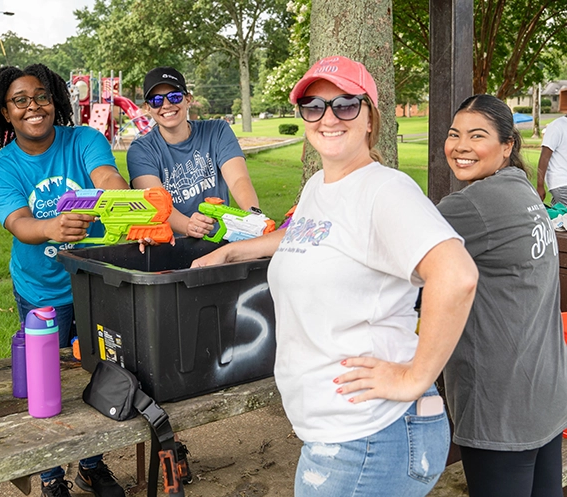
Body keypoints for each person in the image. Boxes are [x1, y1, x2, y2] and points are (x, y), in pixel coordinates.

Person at [191, 55, 478, 496]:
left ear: (369, 118)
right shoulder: (319, 187)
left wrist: (415, 376)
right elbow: (307, 237)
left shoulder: (385, 191)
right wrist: (234, 251)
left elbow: (456, 275)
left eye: (345, 104)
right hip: (337, 434)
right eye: (314, 106)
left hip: (368, 436)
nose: (328, 117)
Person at [0, 63, 127, 497]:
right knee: (47, 384)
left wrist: (120, 197)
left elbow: (105, 177)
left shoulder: (83, 139)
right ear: (5, 112)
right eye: (20, 100)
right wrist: (51, 228)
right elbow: (20, 223)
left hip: (95, 283)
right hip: (41, 289)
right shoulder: (0, 168)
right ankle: (49, 475)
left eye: (41, 96)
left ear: (56, 100)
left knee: (100, 372)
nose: (33, 106)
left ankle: (91, 465)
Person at [437, 94, 567, 497]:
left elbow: (392, 245)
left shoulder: (473, 205)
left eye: (477, 136)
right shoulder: (522, 189)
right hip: (543, 396)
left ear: (507, 145)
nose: (461, 145)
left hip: (501, 406)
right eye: (454, 134)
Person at [127, 66, 260, 238]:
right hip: (170, 246)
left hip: (219, 240)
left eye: (174, 97)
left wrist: (254, 217)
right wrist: (190, 226)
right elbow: (156, 203)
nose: (167, 105)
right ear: (147, 107)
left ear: (188, 99)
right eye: (156, 101)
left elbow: (238, 180)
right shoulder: (141, 150)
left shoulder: (217, 131)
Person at [536, 112, 567, 204]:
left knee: (559, 216)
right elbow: (544, 157)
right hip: (562, 183)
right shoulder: (557, 126)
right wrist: (540, 185)